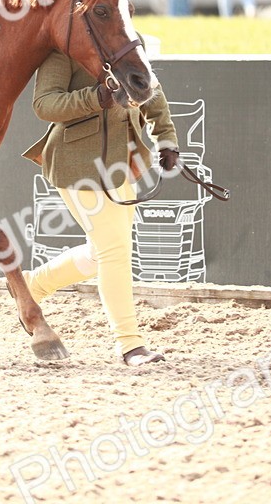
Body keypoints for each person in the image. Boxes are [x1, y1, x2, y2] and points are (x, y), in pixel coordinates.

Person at [22, 42, 180, 367]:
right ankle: (130, 344)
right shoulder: (63, 49)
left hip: (124, 162)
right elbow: (45, 104)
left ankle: (30, 287)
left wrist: (165, 138)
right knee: (114, 251)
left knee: (100, 254)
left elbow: (150, 87)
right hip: (77, 164)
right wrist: (96, 99)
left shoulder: (132, 41)